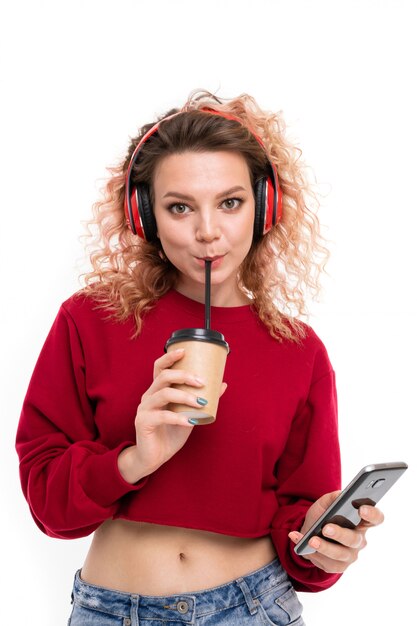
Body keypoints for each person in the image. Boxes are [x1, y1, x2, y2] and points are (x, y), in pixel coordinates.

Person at [16, 90, 384, 626]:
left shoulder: (300, 353)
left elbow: (300, 530)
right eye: (180, 206)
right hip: (113, 611)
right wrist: (135, 458)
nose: (207, 231)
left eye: (230, 203)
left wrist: (324, 548)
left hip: (256, 608)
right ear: (145, 214)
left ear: (265, 207)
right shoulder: (89, 320)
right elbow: (49, 507)